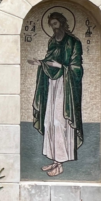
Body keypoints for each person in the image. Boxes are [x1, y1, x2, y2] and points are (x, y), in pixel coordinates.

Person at [27, 12, 83, 177]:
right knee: (49, 121)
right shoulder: (52, 41)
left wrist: (61, 67)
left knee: (60, 121)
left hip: (66, 87)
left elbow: (77, 67)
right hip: (51, 84)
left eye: (56, 24)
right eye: (51, 25)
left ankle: (61, 162)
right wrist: (41, 63)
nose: (53, 28)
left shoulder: (73, 42)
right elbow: (48, 61)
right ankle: (54, 160)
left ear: (63, 23)